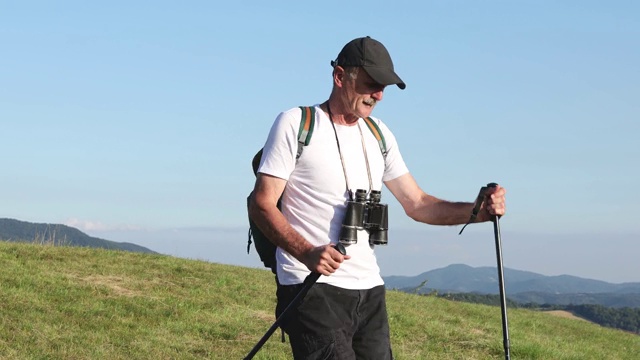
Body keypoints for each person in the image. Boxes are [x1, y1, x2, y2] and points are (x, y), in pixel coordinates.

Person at [248, 36, 507, 360]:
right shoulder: (297, 124)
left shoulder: (379, 135)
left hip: (367, 291)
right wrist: (307, 252)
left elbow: (418, 204)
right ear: (340, 76)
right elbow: (261, 204)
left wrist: (476, 212)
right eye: (371, 84)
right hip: (309, 286)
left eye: (384, 86)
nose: (379, 95)